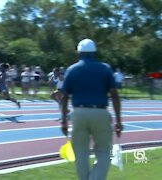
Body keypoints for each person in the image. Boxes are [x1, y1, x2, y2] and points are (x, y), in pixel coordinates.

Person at [61, 39, 123, 180]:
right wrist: (119, 121)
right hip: (100, 112)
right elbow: (114, 95)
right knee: (103, 151)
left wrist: (64, 120)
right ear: (94, 53)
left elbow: (64, 96)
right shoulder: (105, 68)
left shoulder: (72, 69)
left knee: (80, 152)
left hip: (78, 113)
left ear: (79, 53)